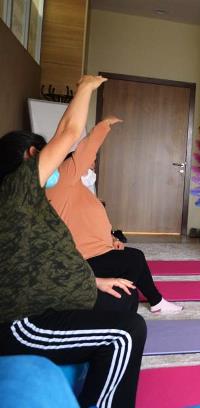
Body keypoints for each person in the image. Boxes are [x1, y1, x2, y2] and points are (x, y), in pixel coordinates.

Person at [0, 75, 146, 407]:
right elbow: (67, 133)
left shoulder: (28, 201)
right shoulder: (15, 191)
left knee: (123, 297)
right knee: (126, 333)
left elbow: (39, 263)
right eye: (43, 153)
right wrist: (85, 88)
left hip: (47, 299)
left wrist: (96, 280)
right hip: (21, 322)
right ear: (30, 157)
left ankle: (95, 373)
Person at [46, 117, 182, 314]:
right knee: (134, 260)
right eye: (91, 164)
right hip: (82, 258)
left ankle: (153, 301)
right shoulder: (63, 179)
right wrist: (101, 129)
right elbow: (84, 151)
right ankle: (148, 301)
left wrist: (112, 239)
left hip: (98, 249)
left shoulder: (78, 189)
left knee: (132, 261)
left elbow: (88, 223)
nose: (92, 166)